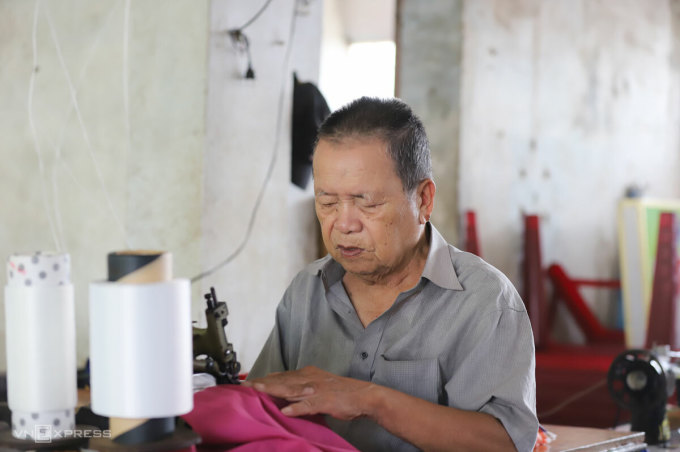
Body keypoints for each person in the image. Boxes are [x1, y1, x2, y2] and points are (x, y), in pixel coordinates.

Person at [243, 97, 538, 451]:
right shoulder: (307, 291)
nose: (344, 225)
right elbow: (258, 414)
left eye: (367, 203)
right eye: (327, 203)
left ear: (424, 200)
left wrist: (370, 401)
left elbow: (504, 444)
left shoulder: (485, 302)